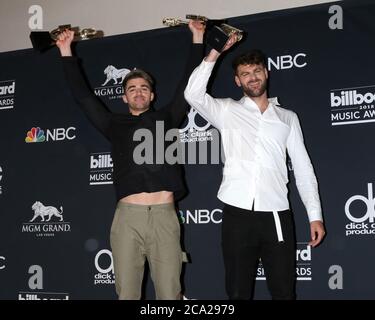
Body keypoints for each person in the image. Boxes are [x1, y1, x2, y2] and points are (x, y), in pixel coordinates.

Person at [56, 21, 205, 300]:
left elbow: (188, 84)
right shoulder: (114, 124)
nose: (138, 91)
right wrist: (66, 50)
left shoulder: (167, 118)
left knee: (170, 295)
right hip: (127, 220)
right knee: (127, 296)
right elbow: (83, 97)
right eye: (132, 88)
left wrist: (198, 38)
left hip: (164, 218)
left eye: (144, 87)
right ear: (124, 96)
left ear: (152, 94)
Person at [184, 36, 326, 300]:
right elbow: (192, 94)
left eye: (256, 71)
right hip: (237, 214)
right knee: (238, 292)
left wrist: (314, 214)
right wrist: (216, 51)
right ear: (237, 81)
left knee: (284, 292)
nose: (252, 77)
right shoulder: (226, 110)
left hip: (276, 214)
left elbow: (303, 168)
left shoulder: (287, 118)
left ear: (266, 73)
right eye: (245, 74)